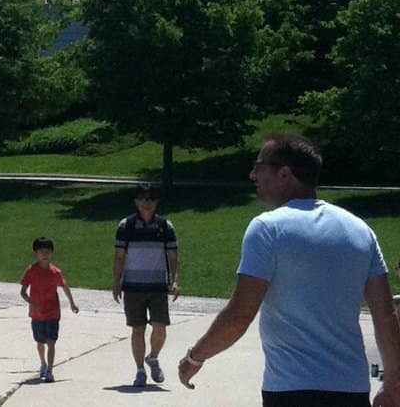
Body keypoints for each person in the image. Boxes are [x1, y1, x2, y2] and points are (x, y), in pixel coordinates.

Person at [177, 134, 400, 405]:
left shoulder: (268, 228)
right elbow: (385, 317)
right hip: (350, 390)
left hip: (292, 390)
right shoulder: (361, 231)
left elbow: (240, 315)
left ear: (284, 174)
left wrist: (195, 357)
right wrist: (392, 385)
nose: (252, 174)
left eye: (258, 165)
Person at [112, 183, 181, 387]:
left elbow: (173, 257)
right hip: (133, 287)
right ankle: (140, 370)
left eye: (151, 199)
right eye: (143, 198)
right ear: (136, 202)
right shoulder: (126, 226)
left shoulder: (165, 226)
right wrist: (116, 281)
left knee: (160, 327)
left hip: (158, 286)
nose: (147, 203)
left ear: (156, 202)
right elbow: (119, 256)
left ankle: (153, 357)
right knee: (137, 329)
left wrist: (176, 280)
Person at [20, 235, 79, 383]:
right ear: (36, 253)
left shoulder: (55, 272)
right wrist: (30, 302)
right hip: (36, 313)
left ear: (52, 253)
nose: (44, 254)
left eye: (47, 251)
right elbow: (23, 291)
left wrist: (72, 303)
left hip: (52, 312)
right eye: (41, 251)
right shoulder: (31, 271)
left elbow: (64, 286)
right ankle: (43, 363)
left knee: (51, 341)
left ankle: (50, 371)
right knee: (40, 342)